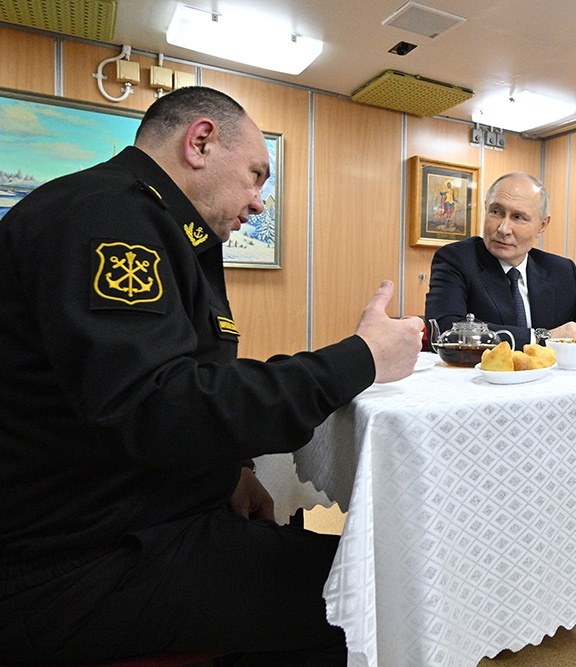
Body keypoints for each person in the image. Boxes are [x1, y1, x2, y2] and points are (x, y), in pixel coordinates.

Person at [0, 86, 423, 665]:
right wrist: (360, 358)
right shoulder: (107, 218)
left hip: (132, 516)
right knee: (375, 596)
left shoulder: (157, 223)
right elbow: (154, 407)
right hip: (73, 563)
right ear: (199, 142)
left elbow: (186, 375)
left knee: (358, 572)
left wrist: (233, 470)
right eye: (256, 176)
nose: (259, 203)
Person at [424, 172, 576, 349]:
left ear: (542, 226)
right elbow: (445, 331)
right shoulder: (457, 260)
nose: (503, 229)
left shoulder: (560, 271)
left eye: (518, 217)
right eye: (496, 212)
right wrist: (544, 338)